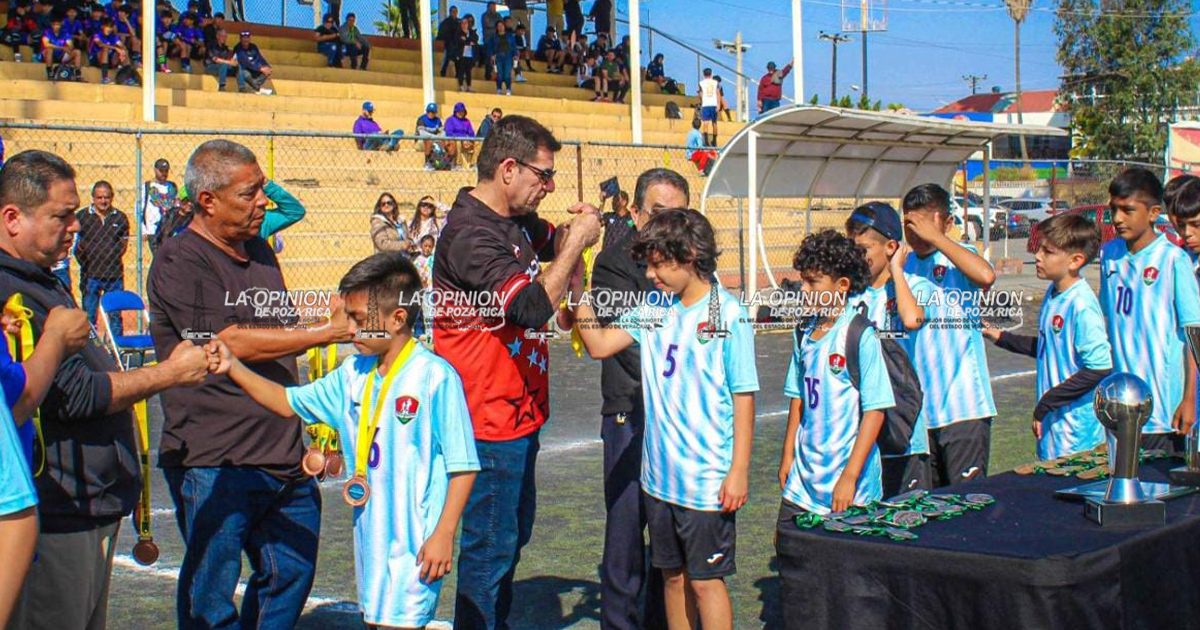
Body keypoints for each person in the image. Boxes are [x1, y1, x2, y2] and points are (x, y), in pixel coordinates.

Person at [208, 251, 479, 630]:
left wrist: (444, 533)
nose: (349, 330)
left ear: (397, 318)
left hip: (416, 542)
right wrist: (233, 368)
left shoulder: (435, 377)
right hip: (370, 539)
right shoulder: (352, 372)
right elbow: (288, 403)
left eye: (358, 319)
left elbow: (463, 465)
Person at [1, 149, 210, 630]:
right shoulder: (11, 291)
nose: (74, 226)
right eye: (62, 214)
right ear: (13, 218)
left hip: (85, 506)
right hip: (57, 512)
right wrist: (171, 373)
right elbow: (75, 396)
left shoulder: (42, 278)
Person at [146, 139, 351, 630]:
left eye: (262, 189)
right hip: (216, 456)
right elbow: (226, 341)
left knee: (290, 572)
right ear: (208, 202)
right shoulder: (179, 260)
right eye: (250, 193)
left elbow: (277, 332)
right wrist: (325, 332)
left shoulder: (258, 248)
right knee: (210, 595)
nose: (264, 201)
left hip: (282, 449)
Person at [433, 115, 601, 630]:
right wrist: (575, 246)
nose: (548, 187)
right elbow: (529, 308)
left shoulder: (513, 221)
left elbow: (555, 241)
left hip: (517, 411)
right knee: (489, 549)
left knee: (509, 537)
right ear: (508, 168)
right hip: (484, 418)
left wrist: (584, 225)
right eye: (542, 175)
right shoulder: (470, 234)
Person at [574, 208, 757, 630]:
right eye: (648, 264)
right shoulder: (654, 306)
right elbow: (601, 344)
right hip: (659, 479)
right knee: (672, 578)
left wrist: (739, 470)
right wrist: (577, 291)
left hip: (706, 480)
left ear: (690, 255)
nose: (651, 274)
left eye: (658, 263)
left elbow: (742, 396)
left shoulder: (727, 314)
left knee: (705, 583)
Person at [588, 168, 689, 630]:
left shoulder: (694, 266)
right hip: (632, 410)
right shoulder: (613, 263)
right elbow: (621, 343)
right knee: (628, 533)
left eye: (681, 214)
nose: (670, 224)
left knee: (673, 536)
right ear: (634, 212)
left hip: (682, 418)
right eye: (660, 212)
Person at [779, 229, 892, 519]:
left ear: (841, 285)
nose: (803, 289)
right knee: (789, 551)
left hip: (850, 485)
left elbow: (875, 411)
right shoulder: (803, 330)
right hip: (803, 481)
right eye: (802, 279)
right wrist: (788, 455)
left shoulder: (859, 334)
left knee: (842, 561)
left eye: (813, 282)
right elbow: (798, 398)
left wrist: (850, 476)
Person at [983, 213, 1112, 460]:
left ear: (1075, 260)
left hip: (1076, 434)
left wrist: (1046, 404)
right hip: (1054, 428)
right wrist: (998, 336)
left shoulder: (1081, 304)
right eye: (1039, 249)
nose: (1038, 256)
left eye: (1048, 251)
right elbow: (1049, 347)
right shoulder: (1054, 294)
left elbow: (1099, 368)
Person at [1097, 168, 1200, 454]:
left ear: (1154, 212)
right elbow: (1109, 320)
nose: (1117, 219)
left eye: (1128, 210)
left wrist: (1189, 398)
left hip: (1162, 408)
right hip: (1120, 404)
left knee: (1161, 493)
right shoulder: (1109, 255)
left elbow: (1194, 332)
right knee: (1121, 491)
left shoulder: (1172, 259)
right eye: (1114, 209)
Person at [901, 183, 997, 486]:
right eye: (909, 225)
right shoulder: (903, 266)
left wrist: (937, 238)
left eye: (924, 224)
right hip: (920, 415)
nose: (916, 233)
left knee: (966, 506)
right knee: (927, 509)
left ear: (948, 223)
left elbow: (986, 275)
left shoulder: (958, 257)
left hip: (963, 408)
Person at [843, 202, 937, 496]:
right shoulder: (849, 294)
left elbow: (911, 319)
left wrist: (897, 270)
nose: (856, 257)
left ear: (891, 247)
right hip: (861, 429)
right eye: (851, 249)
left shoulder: (915, 286)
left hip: (902, 427)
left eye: (864, 250)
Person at [74, 180, 130, 337]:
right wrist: (85, 263)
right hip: (90, 276)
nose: (103, 201)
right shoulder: (82, 217)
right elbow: (77, 247)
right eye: (99, 197)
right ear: (93, 198)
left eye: (106, 197)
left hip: (114, 276)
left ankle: (116, 354)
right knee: (89, 316)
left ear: (112, 197)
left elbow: (123, 245)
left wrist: (110, 254)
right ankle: (91, 353)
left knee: (115, 317)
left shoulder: (120, 218)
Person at [142, 157, 178, 254]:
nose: (164, 174)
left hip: (169, 229)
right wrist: (143, 229)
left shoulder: (172, 186)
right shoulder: (147, 186)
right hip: (153, 230)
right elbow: (140, 209)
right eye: (161, 171)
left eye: (166, 171)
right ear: (155, 170)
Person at [89, 17, 130, 85]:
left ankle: (128, 78)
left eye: (111, 27)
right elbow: (100, 44)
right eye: (107, 27)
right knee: (105, 49)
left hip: (110, 61)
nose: (109, 29)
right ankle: (104, 78)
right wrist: (115, 48)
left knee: (124, 51)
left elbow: (121, 45)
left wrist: (122, 51)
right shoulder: (97, 34)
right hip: (96, 60)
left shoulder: (113, 36)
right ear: (102, 26)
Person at [41, 15, 83, 81]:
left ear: (61, 24)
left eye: (57, 24)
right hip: (49, 56)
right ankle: (50, 73)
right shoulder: (47, 32)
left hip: (62, 55)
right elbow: (46, 44)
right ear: (51, 24)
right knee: (49, 50)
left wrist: (68, 49)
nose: (55, 26)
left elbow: (70, 45)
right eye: (54, 24)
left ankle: (78, 75)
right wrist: (61, 48)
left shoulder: (65, 32)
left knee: (77, 52)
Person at [417, 102, 456, 170]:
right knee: (429, 141)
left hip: (436, 140)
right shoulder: (422, 119)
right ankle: (427, 163)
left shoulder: (438, 120)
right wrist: (436, 138)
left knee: (450, 143)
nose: (431, 113)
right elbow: (422, 134)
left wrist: (440, 139)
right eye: (429, 111)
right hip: (421, 141)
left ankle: (449, 163)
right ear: (427, 111)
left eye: (433, 112)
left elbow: (443, 132)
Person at [445, 102, 477, 168]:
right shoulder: (450, 120)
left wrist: (470, 141)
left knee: (478, 143)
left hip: (466, 140)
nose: (460, 113)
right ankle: (458, 164)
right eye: (458, 111)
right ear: (455, 112)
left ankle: (474, 163)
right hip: (456, 140)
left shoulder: (467, 121)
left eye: (462, 111)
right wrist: (464, 138)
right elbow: (449, 133)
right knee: (458, 142)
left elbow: (471, 133)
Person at [453, 15, 477, 92]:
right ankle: (461, 85)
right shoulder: (458, 33)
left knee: (468, 71)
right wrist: (468, 41)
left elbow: (474, 40)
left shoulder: (472, 33)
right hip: (461, 55)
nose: (464, 25)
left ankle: (469, 86)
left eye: (465, 23)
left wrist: (466, 40)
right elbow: (459, 42)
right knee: (461, 71)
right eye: (462, 23)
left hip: (470, 55)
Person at [493, 19, 516, 96]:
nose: (500, 27)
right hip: (498, 57)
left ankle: (508, 89)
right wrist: (492, 56)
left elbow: (513, 47)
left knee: (507, 74)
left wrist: (515, 55)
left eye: (502, 25)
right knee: (499, 74)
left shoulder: (510, 36)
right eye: (498, 26)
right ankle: (499, 89)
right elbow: (491, 48)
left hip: (508, 56)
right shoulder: (494, 37)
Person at [698, 68, 719, 146]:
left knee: (705, 123)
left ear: (704, 75)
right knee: (714, 123)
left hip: (706, 104)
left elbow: (700, 94)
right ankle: (714, 140)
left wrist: (702, 100)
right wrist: (718, 104)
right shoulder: (715, 82)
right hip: (713, 104)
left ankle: (706, 141)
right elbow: (718, 93)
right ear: (711, 74)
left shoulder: (701, 83)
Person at [437, 5, 459, 76]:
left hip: (457, 43)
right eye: (453, 11)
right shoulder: (446, 22)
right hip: (449, 42)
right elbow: (443, 33)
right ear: (450, 12)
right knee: (449, 55)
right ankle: (444, 71)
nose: (454, 13)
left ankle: (457, 73)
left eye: (455, 12)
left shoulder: (459, 22)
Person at [481, 2, 499, 81]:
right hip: (488, 39)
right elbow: (487, 24)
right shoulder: (485, 15)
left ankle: (496, 75)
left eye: (494, 7)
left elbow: (500, 24)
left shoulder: (498, 15)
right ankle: (488, 75)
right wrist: (495, 26)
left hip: (497, 40)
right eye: (492, 7)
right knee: (489, 58)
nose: (493, 9)